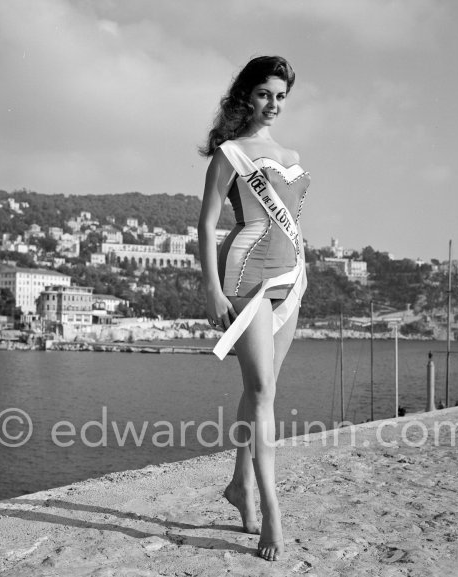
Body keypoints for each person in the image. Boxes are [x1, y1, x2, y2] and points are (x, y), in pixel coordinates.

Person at [198, 56, 311, 562]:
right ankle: (271, 511)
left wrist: (302, 275)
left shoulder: (290, 152)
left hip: (291, 277)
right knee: (263, 392)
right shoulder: (230, 154)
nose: (274, 105)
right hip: (245, 276)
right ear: (247, 94)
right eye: (265, 94)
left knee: (259, 390)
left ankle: (240, 485)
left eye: (281, 96)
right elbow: (206, 225)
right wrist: (212, 291)